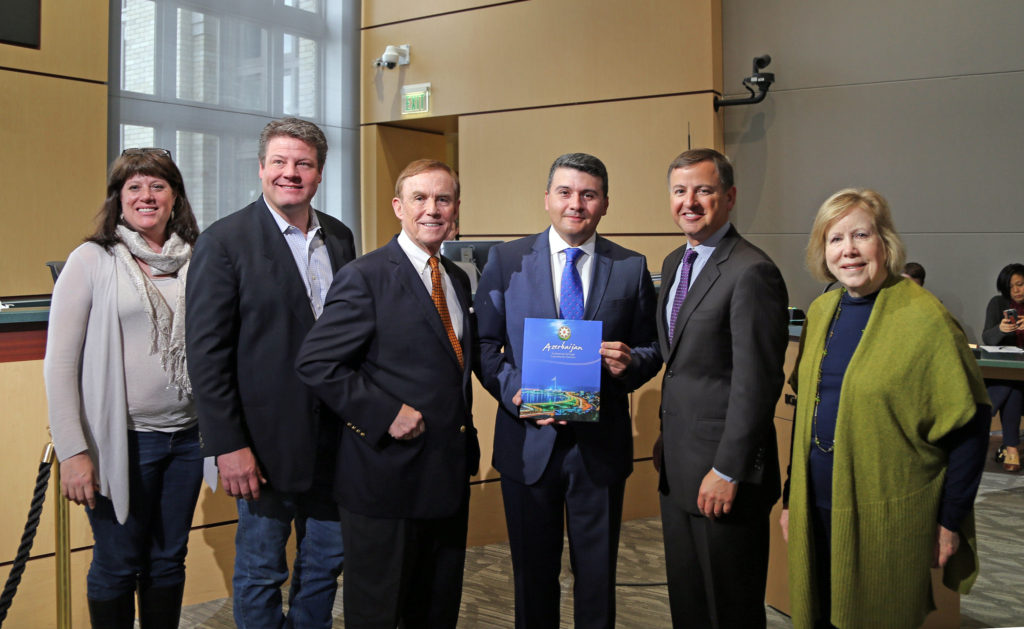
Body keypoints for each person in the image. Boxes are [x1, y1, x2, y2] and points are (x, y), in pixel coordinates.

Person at [781, 188, 990, 629]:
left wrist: (949, 521)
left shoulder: (924, 318)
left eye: (861, 235)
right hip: (815, 505)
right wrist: (789, 499)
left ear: (885, 243)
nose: (849, 250)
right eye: (835, 239)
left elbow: (969, 424)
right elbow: (808, 413)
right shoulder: (821, 312)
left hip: (888, 515)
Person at [475, 152, 661, 628]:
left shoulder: (631, 266)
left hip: (598, 449)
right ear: (547, 199)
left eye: (588, 194)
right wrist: (517, 391)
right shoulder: (507, 260)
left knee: (596, 577)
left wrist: (629, 364)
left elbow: (651, 348)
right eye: (565, 192)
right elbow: (485, 344)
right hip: (527, 443)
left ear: (604, 204)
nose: (575, 203)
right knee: (532, 575)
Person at [186, 118, 354, 629]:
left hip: (337, 440)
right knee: (261, 570)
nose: (290, 173)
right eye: (279, 162)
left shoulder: (341, 238)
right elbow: (207, 356)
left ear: (320, 173)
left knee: (326, 562)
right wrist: (227, 445)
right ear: (261, 169)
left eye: (303, 163)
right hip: (259, 447)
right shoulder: (223, 242)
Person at [296, 159, 479, 628]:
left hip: (446, 477)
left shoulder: (456, 278)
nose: (432, 210)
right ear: (398, 207)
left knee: (436, 611)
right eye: (420, 198)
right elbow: (315, 362)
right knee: (379, 613)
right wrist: (383, 412)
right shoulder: (366, 276)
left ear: (456, 209)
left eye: (443, 199)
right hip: (384, 479)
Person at [44, 148, 202, 628]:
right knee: (116, 565)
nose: (146, 195)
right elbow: (60, 364)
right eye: (134, 187)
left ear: (175, 197)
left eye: (158, 185)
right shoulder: (92, 259)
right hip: (122, 442)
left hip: (189, 440)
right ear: (119, 198)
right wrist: (73, 451)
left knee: (168, 560)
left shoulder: (198, 259)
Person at [654, 148, 789, 629]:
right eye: (679, 191)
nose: (689, 202)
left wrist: (728, 469)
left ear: (729, 197)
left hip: (723, 476)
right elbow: (680, 362)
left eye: (704, 190)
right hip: (677, 468)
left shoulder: (752, 271)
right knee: (689, 606)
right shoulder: (675, 262)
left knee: (729, 610)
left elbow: (758, 382)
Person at [981, 262, 1024, 472]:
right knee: (1013, 388)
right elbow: (987, 338)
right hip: (1008, 374)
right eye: (1011, 286)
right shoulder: (998, 303)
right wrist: (1001, 329)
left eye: (1020, 284)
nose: (1016, 290)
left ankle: (982, 413)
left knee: (1012, 385)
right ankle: (1012, 448)